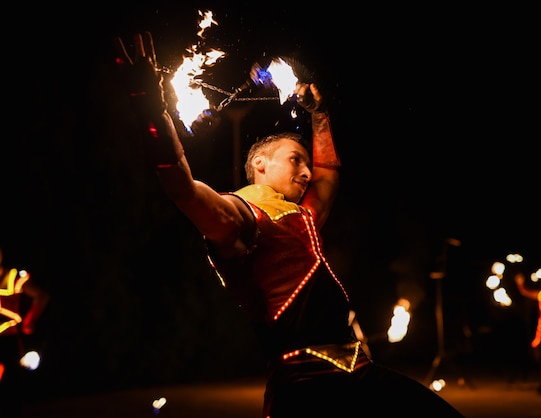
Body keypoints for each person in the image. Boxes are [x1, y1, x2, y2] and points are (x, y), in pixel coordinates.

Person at [113, 32, 464, 417]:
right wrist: (149, 104)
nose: (307, 169)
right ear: (260, 164)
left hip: (360, 372)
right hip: (305, 387)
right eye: (295, 159)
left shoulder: (303, 216)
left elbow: (328, 176)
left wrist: (320, 115)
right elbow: (182, 188)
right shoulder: (241, 214)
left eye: (306, 162)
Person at [0, 247, 50, 418]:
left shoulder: (12, 277)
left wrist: (30, 320)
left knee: (11, 387)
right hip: (8, 342)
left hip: (8, 340)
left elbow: (41, 295)